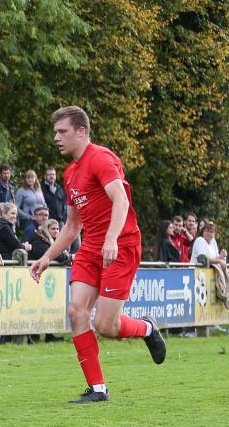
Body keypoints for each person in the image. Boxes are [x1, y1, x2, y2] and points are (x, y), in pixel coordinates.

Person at [30, 105, 166, 404]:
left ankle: (146, 328)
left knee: (106, 326)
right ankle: (98, 389)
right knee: (76, 311)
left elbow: (121, 201)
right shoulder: (70, 172)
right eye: (55, 132)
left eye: (62, 132)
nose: (56, 138)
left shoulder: (101, 158)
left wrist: (112, 238)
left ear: (81, 131)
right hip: (91, 247)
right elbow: (72, 225)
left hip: (121, 244)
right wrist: (47, 257)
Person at [15, 170, 47, 239]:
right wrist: (27, 216)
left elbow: (44, 204)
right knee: (31, 231)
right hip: (29, 220)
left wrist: (46, 213)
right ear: (25, 179)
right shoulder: (21, 191)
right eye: (28, 178)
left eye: (32, 177)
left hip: (42, 220)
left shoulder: (39, 190)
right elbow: (16, 208)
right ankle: (22, 247)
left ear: (35, 179)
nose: (30, 180)